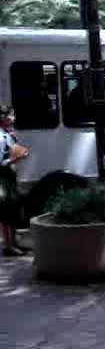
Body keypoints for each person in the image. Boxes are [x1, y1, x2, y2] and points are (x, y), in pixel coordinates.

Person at [0, 105, 30, 256]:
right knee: (5, 211)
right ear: (3, 118)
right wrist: (16, 158)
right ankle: (8, 246)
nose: (13, 118)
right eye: (11, 115)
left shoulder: (8, 133)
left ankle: (14, 242)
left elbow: (12, 150)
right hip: (2, 178)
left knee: (12, 210)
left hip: (9, 177)